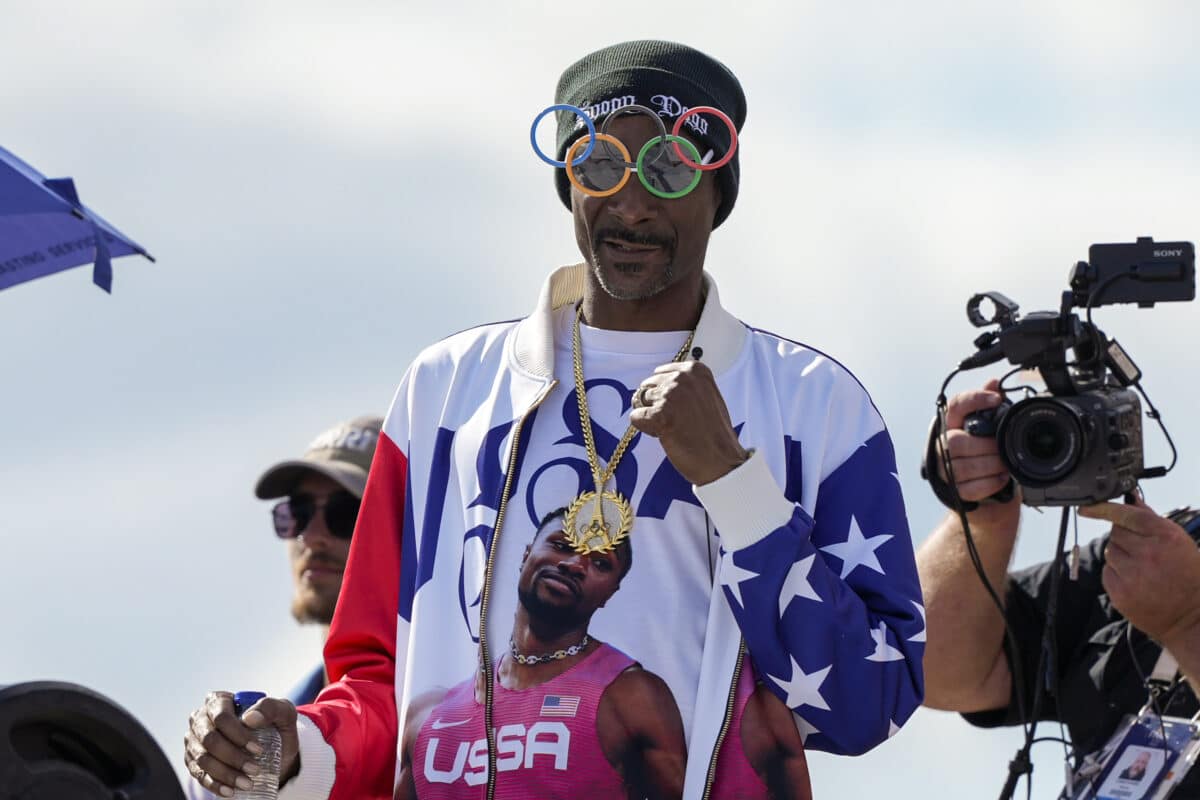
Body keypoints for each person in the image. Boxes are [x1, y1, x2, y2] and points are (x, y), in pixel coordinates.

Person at [184, 40, 925, 800]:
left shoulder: (813, 403)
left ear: (719, 193)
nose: (632, 203)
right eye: (601, 165)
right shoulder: (445, 391)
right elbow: (379, 679)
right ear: (568, 182)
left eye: (669, 169)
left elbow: (871, 705)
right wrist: (294, 748)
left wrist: (735, 486)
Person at [917, 379, 1200, 794]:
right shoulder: (1172, 551)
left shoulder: (1176, 581)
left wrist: (1187, 623)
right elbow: (936, 671)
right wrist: (985, 511)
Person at [396, 507, 690, 799]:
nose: (575, 564)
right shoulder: (427, 713)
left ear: (611, 592)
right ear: (526, 555)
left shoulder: (631, 696)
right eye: (561, 545)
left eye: (600, 563)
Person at [184, 416, 381, 799]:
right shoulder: (271, 726)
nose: (313, 537)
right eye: (299, 512)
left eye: (346, 514)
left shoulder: (449, 713)